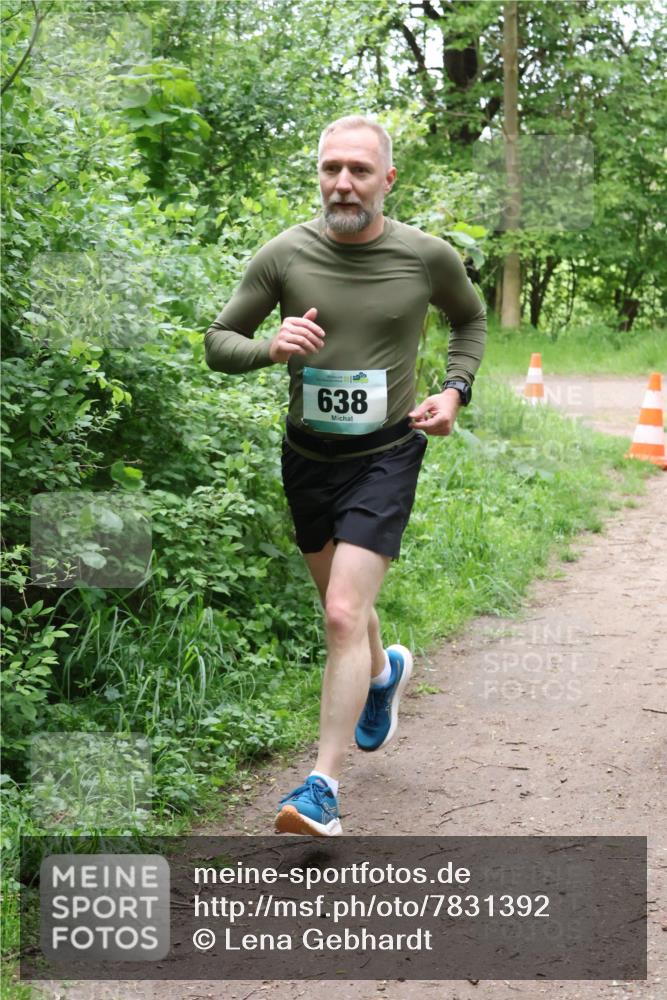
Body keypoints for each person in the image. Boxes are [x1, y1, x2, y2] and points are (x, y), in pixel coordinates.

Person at [204, 114, 486, 836]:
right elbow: (217, 342)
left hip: (386, 454)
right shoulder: (283, 255)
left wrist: (453, 391)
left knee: (338, 614)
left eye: (359, 169)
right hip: (308, 459)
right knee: (341, 606)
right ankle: (383, 674)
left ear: (387, 179)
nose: (342, 182)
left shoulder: (425, 257)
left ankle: (321, 786)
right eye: (331, 167)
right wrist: (270, 347)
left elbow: (470, 320)